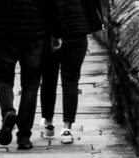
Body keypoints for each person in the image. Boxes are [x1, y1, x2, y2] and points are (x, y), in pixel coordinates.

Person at [0, 0, 61, 150]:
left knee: (3, 78)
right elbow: (51, 4)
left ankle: (8, 111)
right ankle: (23, 136)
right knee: (31, 85)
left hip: (6, 31)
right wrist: (56, 33)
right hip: (35, 32)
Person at [40, 0, 102, 144]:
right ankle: (67, 129)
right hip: (77, 29)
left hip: (49, 32)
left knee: (48, 79)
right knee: (71, 81)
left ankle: (49, 124)